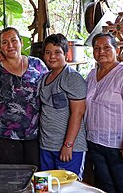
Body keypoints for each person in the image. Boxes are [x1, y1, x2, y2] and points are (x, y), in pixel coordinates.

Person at [0, 27, 48, 167]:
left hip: (33, 134)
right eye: (4, 42)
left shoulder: (37, 65)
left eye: (14, 40)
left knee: (33, 177)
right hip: (2, 135)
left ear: (21, 42)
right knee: (6, 180)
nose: (10, 45)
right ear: (0, 47)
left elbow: (48, 93)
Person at [85, 33, 123, 193]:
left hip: (119, 146)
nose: (101, 52)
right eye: (96, 48)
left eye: (106, 47)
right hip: (96, 143)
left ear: (117, 51)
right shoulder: (92, 75)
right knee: (105, 187)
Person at [38, 33, 87, 178]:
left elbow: (77, 114)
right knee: (48, 187)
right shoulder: (44, 78)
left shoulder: (72, 78)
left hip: (69, 148)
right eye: (48, 52)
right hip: (46, 145)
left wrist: (68, 145)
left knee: (69, 187)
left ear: (66, 54)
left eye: (57, 52)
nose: (52, 56)